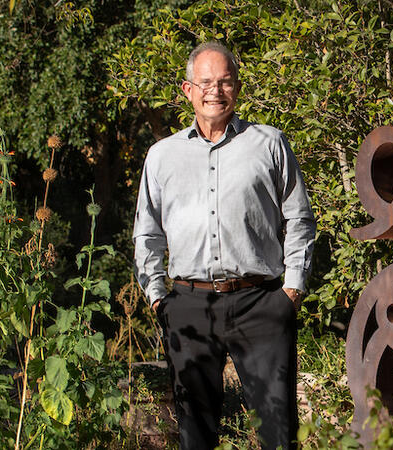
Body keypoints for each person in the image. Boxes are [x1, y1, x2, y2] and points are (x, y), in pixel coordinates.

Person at [132, 41, 316, 450]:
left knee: (278, 433)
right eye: (206, 83)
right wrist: (159, 298)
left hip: (262, 304)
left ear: (236, 88)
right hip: (188, 308)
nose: (215, 90)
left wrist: (292, 290)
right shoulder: (162, 156)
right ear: (187, 90)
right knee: (195, 436)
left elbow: (299, 217)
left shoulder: (269, 144)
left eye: (225, 82)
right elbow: (146, 233)